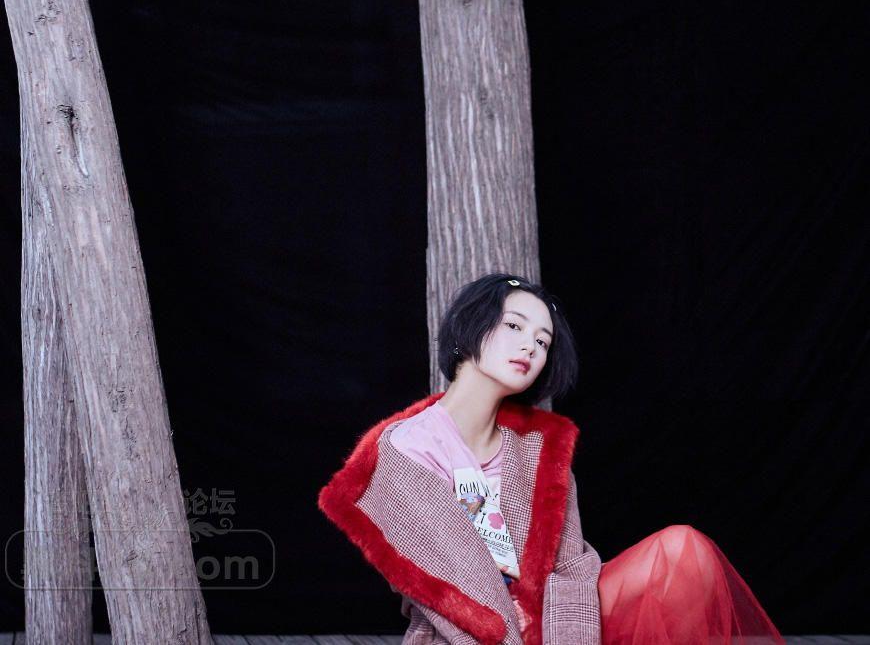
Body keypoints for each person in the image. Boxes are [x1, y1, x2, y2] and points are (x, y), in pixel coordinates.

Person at [318, 273, 784, 644]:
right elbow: (456, 596)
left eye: (542, 342)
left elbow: (572, 568)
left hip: (561, 624)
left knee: (684, 550)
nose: (530, 346)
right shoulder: (407, 449)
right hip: (469, 635)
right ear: (468, 328)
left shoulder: (540, 448)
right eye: (514, 326)